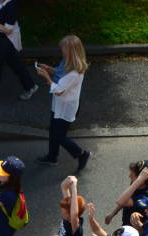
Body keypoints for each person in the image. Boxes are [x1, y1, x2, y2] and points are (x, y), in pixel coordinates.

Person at [34, 34, 89, 170]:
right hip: (60, 105)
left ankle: (81, 153)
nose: (61, 52)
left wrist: (46, 76)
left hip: (65, 108)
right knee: (53, 131)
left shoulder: (74, 73)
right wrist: (49, 69)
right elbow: (59, 73)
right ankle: (52, 157)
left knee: (59, 136)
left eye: (63, 50)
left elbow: (59, 91)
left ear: (70, 52)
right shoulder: (67, 63)